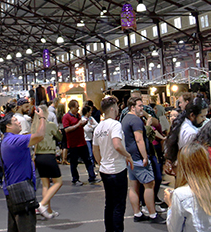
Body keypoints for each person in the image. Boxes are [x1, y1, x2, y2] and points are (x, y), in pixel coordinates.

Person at [0, 105, 47, 232]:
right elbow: (40, 135)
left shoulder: (6, 141)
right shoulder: (14, 140)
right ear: (8, 126)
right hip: (21, 193)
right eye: (15, 121)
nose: (19, 122)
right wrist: (42, 117)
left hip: (13, 190)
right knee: (26, 227)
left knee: (14, 228)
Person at [93, 96, 134, 232]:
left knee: (109, 204)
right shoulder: (115, 124)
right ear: (112, 108)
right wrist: (128, 155)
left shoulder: (98, 127)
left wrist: (101, 163)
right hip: (117, 170)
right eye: (116, 107)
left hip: (105, 170)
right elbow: (117, 145)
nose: (118, 109)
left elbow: (95, 149)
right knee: (118, 205)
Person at [122, 96, 164, 224]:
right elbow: (139, 139)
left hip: (130, 157)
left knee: (134, 186)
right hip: (139, 158)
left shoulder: (125, 119)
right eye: (140, 106)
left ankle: (137, 213)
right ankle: (152, 214)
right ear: (132, 107)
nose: (142, 108)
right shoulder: (136, 121)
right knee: (149, 185)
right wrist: (145, 156)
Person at [31, 105, 63, 219]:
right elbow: (59, 137)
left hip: (39, 157)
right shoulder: (51, 125)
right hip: (49, 155)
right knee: (58, 182)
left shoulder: (34, 126)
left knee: (45, 185)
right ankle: (42, 204)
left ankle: (48, 210)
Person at [62, 99, 99, 185]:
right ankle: (75, 179)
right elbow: (66, 129)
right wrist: (78, 125)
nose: (78, 109)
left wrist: (83, 124)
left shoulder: (78, 115)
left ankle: (92, 177)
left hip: (82, 142)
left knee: (88, 160)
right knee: (74, 163)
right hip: (73, 144)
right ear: (71, 107)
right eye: (76, 107)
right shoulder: (66, 117)